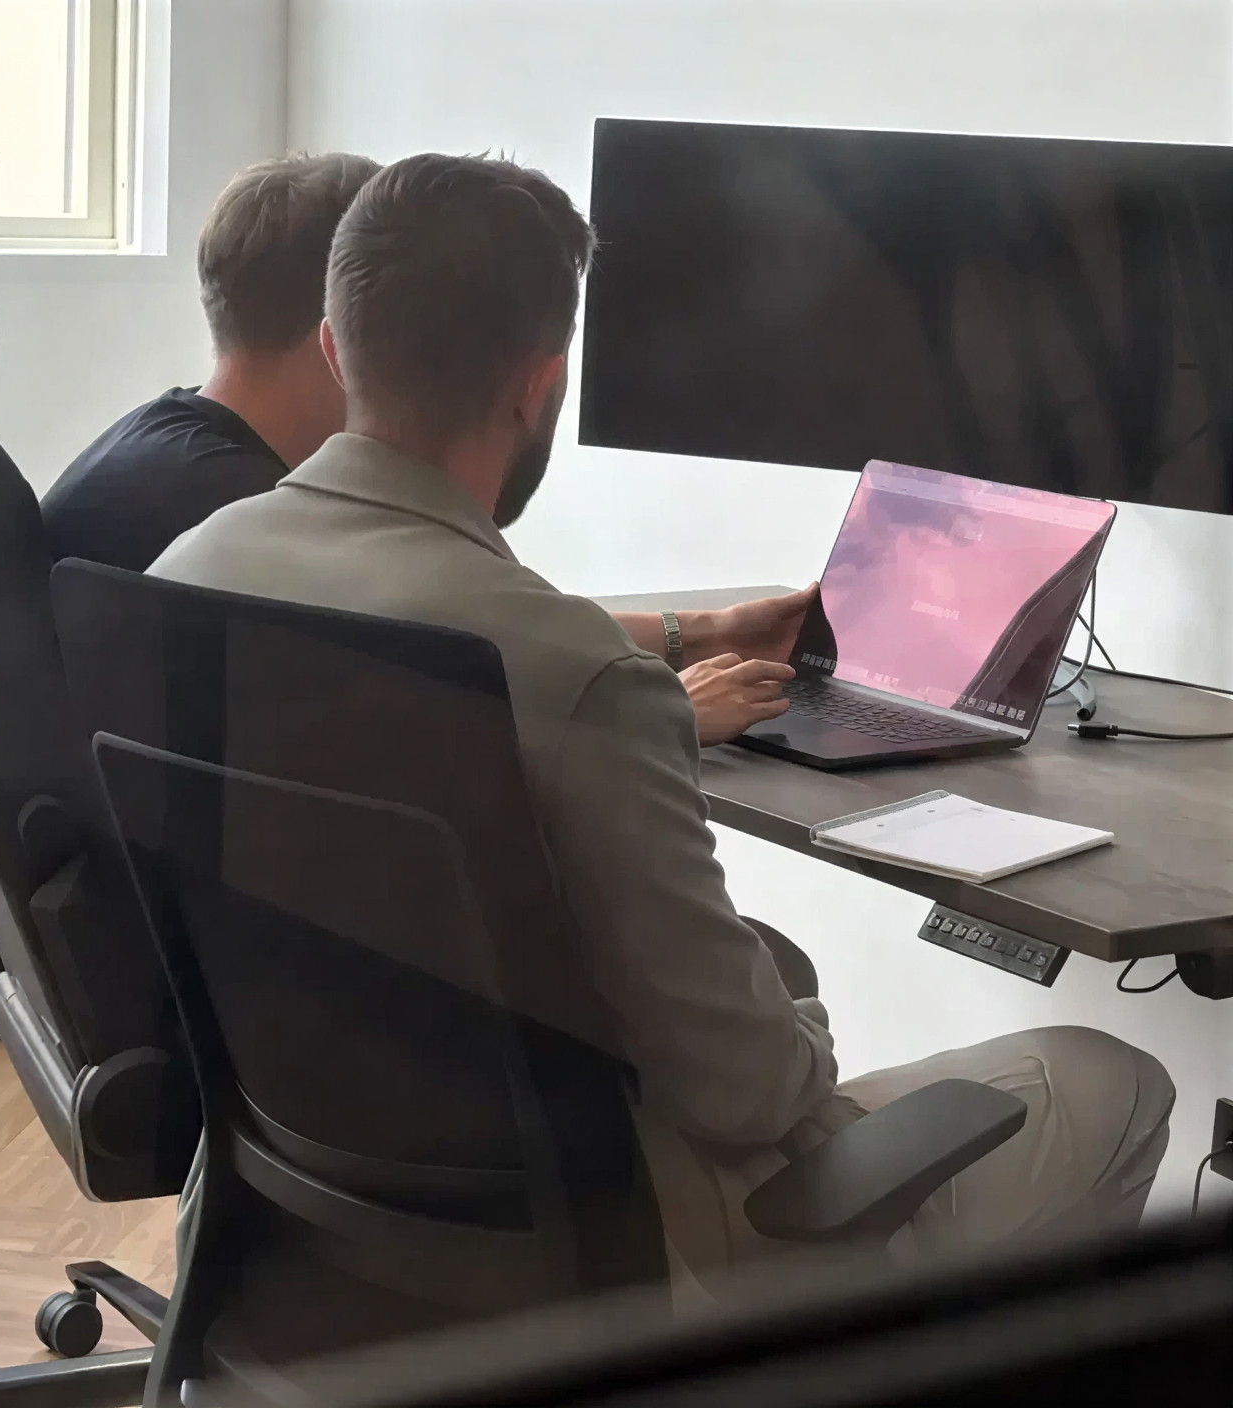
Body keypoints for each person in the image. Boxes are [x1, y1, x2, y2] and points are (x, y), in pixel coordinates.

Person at [155, 153, 1172, 1281]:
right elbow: (749, 1094)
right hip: (591, 1249)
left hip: (295, 1217)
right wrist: (800, 1026)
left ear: (339, 349)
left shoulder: (186, 575)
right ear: (536, 386)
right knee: (1109, 1079)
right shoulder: (576, 677)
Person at [41, 153, 819, 750]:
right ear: (345, 326)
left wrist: (705, 631)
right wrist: (652, 721)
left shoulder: (166, 459)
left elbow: (479, 630)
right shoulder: (237, 512)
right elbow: (462, 665)